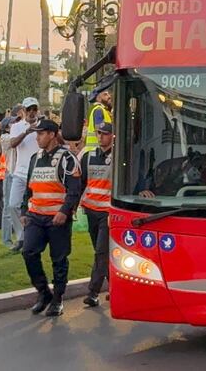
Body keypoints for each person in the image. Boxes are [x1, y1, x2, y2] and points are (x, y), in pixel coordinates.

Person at [22, 118, 82, 317]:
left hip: (57, 219)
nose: (37, 138)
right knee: (28, 252)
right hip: (36, 217)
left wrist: (64, 211)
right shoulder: (35, 158)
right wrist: (24, 211)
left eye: (40, 134)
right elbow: (29, 188)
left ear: (52, 135)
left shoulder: (67, 159)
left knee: (59, 259)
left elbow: (74, 190)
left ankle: (57, 299)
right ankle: (43, 292)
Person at [79, 121, 114, 308]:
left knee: (101, 252)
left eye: (105, 133)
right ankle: (115, 287)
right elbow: (82, 182)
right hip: (91, 210)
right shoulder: (88, 156)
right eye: (99, 133)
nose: (101, 136)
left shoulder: (118, 157)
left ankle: (92, 292)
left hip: (107, 212)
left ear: (113, 136)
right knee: (101, 253)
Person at [4, 97, 42, 251]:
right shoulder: (17, 126)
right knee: (13, 204)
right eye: (29, 109)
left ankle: (34, 236)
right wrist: (26, 132)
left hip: (38, 172)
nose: (32, 112)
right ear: (24, 111)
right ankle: (21, 236)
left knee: (38, 207)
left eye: (34, 109)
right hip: (20, 172)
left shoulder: (42, 125)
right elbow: (13, 144)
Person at [85, 83, 113, 152]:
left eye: (108, 94)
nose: (109, 96)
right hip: (96, 151)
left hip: (98, 151)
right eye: (105, 94)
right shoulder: (99, 110)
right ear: (98, 98)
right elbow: (100, 130)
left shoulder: (104, 110)